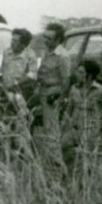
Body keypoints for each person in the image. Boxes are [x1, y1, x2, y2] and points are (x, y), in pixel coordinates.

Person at [34, 23, 74, 152]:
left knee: (51, 127)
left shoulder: (62, 56)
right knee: (43, 125)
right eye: (45, 37)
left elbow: (66, 80)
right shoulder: (47, 51)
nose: (45, 40)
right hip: (42, 90)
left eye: (49, 38)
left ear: (58, 40)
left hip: (53, 92)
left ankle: (55, 157)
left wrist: (60, 98)